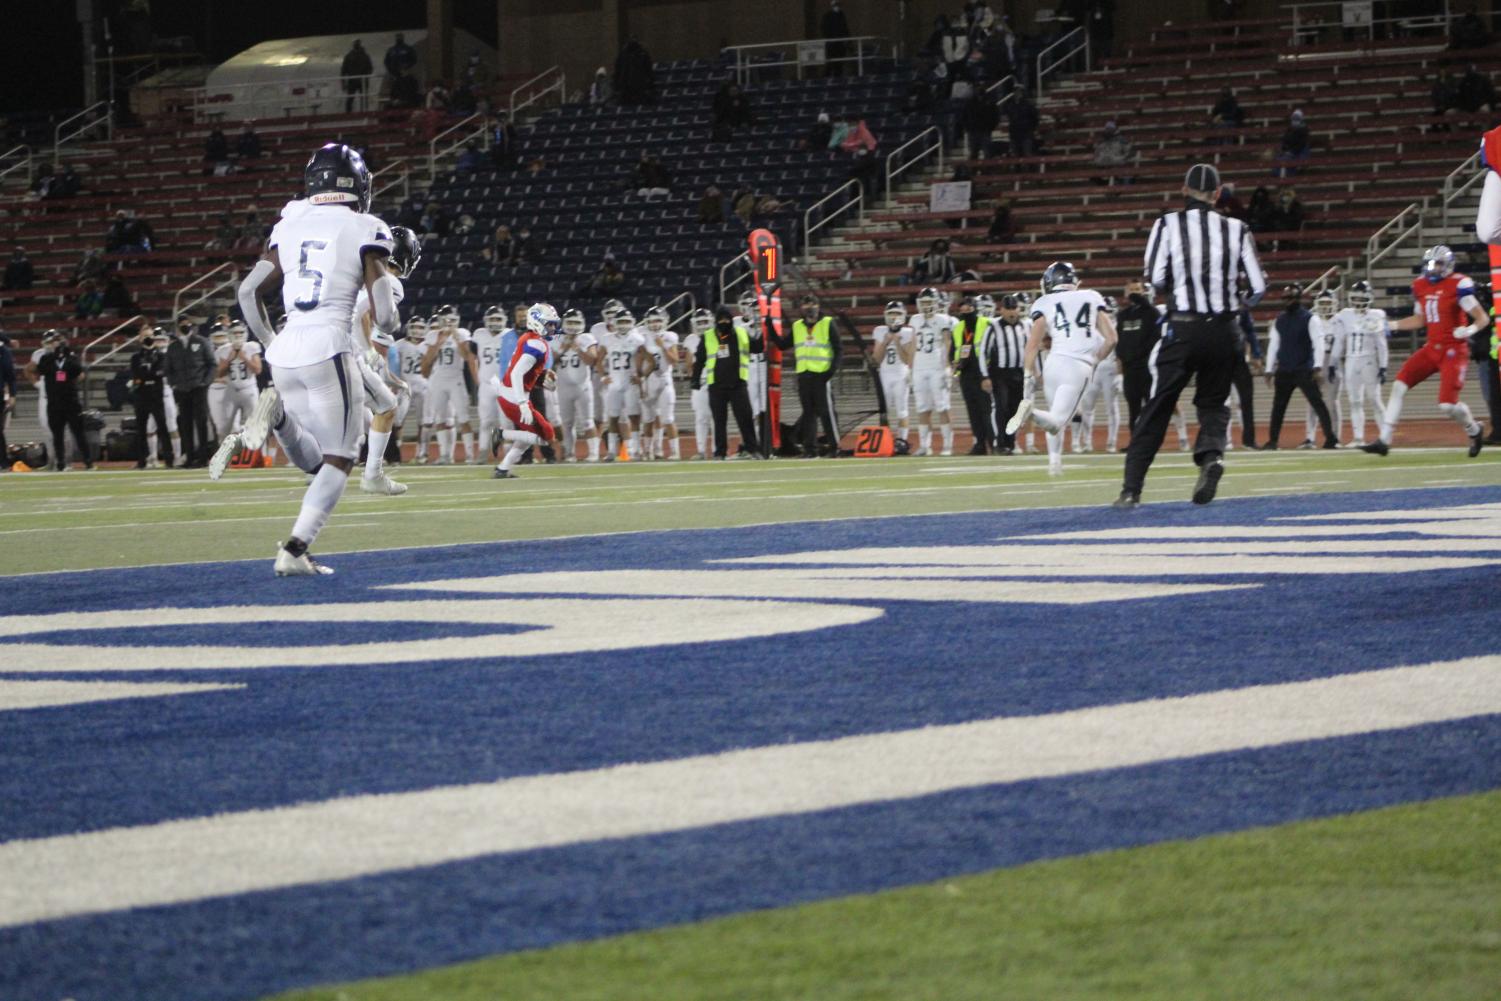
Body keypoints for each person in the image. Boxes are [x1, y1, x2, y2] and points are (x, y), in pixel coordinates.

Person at [233, 143, 400, 575]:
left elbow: (247, 292)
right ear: (358, 184)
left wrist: (270, 341)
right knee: (343, 456)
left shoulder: (290, 224)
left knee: (318, 462)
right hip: (329, 345)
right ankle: (294, 550)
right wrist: (390, 322)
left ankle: (279, 420)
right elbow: (383, 309)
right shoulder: (366, 226)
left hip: (287, 350)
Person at [1116, 163, 1266, 509]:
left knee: (1158, 407)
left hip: (1183, 325)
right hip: (1224, 330)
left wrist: (1178, 289)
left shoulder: (1167, 224)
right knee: (1214, 403)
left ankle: (1131, 489)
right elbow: (1258, 287)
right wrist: (1235, 303)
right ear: (1217, 195)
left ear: (1184, 190)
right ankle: (1211, 457)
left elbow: (1154, 277)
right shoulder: (1237, 228)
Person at [1363, 245, 1490, 457]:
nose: (1433, 268)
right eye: (1430, 264)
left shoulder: (1458, 284)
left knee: (1447, 406)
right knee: (1399, 386)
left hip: (1453, 350)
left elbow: (1483, 318)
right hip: (1432, 348)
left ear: (1448, 265)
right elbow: (1420, 320)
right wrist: (1390, 325)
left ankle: (1474, 429)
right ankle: (1384, 440)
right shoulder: (1420, 285)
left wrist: (1468, 330)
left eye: (1438, 264)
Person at [1008, 263, 1118, 476]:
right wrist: (1095, 360)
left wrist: (1029, 374)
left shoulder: (1044, 301)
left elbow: (1032, 344)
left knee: (1054, 416)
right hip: (1078, 366)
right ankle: (1030, 412)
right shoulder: (1091, 296)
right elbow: (1112, 338)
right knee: (1057, 421)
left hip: (1053, 362)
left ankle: (1054, 465)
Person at [1261, 285, 1338, 450]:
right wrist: (1268, 369)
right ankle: (1273, 440)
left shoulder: (1310, 318)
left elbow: (1318, 343)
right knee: (1278, 407)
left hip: (1304, 368)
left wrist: (1317, 367)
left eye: (1290, 299)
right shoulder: (1279, 320)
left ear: (1298, 299)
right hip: (1284, 369)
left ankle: (1330, 438)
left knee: (1317, 403)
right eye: (1285, 299)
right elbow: (1274, 345)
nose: (1287, 302)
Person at [491, 304, 561, 479]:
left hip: (509, 393)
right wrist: (522, 404)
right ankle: (501, 434)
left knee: (527, 435)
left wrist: (543, 379)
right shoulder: (537, 344)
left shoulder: (529, 337)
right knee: (547, 436)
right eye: (549, 324)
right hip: (514, 397)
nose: (553, 328)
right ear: (538, 323)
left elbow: (525, 373)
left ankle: (503, 468)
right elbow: (516, 373)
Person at [695, 305, 761, 459]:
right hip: (716, 386)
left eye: (727, 319)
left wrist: (765, 330)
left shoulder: (741, 334)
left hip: (738, 384)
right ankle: (720, 452)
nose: (724, 322)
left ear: (731, 320)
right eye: (721, 320)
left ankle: (752, 449)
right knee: (719, 422)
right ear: (716, 321)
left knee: (745, 419)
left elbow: (757, 347)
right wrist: (695, 380)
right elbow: (699, 361)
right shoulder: (707, 336)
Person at [1332, 280, 1389, 447]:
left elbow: (1381, 344)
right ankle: (1358, 437)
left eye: (1361, 298)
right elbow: (1340, 340)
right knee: (1354, 401)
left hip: (1369, 360)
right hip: (1351, 360)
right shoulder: (1345, 315)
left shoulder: (1377, 315)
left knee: (1375, 399)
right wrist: (1333, 361)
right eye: (1355, 298)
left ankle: (1385, 436)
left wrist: (1384, 366)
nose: (1357, 301)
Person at [421, 304, 479, 464]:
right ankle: (445, 455)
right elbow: (427, 361)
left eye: (451, 319)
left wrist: (455, 336)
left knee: (463, 418)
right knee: (440, 419)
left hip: (456, 378)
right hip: (438, 379)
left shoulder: (462, 333)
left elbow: (467, 356)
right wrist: (439, 342)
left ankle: (469, 456)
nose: (447, 322)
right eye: (445, 319)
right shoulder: (433, 335)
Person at [789, 295, 840, 457]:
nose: (809, 308)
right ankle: (810, 449)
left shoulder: (827, 323)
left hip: (821, 374)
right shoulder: (797, 326)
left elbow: (838, 348)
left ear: (818, 306)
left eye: (812, 304)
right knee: (808, 413)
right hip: (804, 374)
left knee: (826, 412)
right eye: (805, 305)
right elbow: (784, 344)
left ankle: (834, 447)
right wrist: (769, 325)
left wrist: (831, 371)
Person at [978, 292, 1029, 454]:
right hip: (999, 374)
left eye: (1014, 308)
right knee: (1001, 407)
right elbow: (982, 352)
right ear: (1002, 310)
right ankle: (999, 442)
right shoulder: (993, 327)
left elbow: (1031, 350)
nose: (1012, 312)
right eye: (1009, 309)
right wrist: (985, 376)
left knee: (1015, 409)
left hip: (1019, 373)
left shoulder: (1025, 326)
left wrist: (1034, 373)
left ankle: (1011, 442)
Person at [34, 332, 92, 470]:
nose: (55, 344)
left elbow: (77, 370)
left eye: (57, 341)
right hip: (54, 402)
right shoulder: (46, 358)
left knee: (78, 432)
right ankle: (60, 462)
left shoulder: (71, 357)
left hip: (71, 401)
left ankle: (88, 461)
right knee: (57, 434)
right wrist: (54, 357)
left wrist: (65, 356)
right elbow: (41, 369)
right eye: (54, 342)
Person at [909, 287, 956, 456]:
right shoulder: (915, 320)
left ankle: (947, 445)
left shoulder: (943, 319)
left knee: (942, 407)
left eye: (929, 302)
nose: (926, 305)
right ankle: (924, 445)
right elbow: (913, 344)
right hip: (919, 368)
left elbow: (948, 344)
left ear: (936, 303)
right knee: (922, 408)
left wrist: (948, 367)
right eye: (924, 302)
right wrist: (910, 367)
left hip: (937, 367)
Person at [164, 315, 215, 466]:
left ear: (192, 326)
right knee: (185, 424)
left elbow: (212, 363)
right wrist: (174, 384)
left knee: (201, 422)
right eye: (182, 324)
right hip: (182, 389)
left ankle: (203, 457)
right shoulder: (173, 347)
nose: (185, 326)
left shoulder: (201, 342)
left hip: (198, 387)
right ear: (178, 327)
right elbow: (168, 369)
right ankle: (190, 457)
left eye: (187, 324)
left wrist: (205, 382)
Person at [553, 309, 602, 461]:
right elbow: (551, 362)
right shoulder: (556, 338)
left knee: (587, 420)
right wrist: (565, 347)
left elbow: (592, 360)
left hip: (583, 387)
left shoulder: (587, 338)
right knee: (567, 423)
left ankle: (593, 453)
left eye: (576, 322)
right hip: (563, 387)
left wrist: (577, 348)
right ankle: (569, 453)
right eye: (570, 322)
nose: (573, 326)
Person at [635, 307, 681, 460]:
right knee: (648, 419)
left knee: (668, 418)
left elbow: (674, 361)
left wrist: (662, 346)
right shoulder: (641, 335)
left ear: (665, 321)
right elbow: (639, 360)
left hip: (664, 379)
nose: (654, 324)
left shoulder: (669, 337)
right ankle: (648, 451)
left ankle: (674, 452)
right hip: (648, 381)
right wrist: (640, 379)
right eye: (652, 321)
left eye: (658, 320)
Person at [950, 294, 993, 453]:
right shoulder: (958, 328)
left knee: (987, 410)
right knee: (973, 411)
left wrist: (988, 374)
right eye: (963, 309)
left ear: (975, 309)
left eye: (969, 309)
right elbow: (954, 350)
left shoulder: (986, 323)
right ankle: (979, 443)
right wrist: (954, 366)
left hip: (983, 372)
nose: (965, 311)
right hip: (966, 373)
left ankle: (993, 441)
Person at [600, 310, 645, 460]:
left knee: (634, 417)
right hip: (614, 382)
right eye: (621, 321)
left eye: (626, 321)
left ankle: (636, 450)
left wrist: (641, 376)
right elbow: (599, 360)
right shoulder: (607, 339)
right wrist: (603, 376)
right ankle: (612, 451)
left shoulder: (638, 339)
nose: (624, 325)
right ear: (615, 323)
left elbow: (646, 359)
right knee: (612, 417)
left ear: (631, 321)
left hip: (630, 382)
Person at [128, 325, 174, 468]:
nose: (148, 339)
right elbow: (137, 375)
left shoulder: (161, 356)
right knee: (141, 429)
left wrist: (147, 375)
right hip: (141, 395)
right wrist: (149, 375)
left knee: (163, 427)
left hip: (156, 394)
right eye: (145, 336)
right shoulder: (136, 357)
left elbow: (160, 372)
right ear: (140, 339)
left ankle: (169, 459)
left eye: (150, 336)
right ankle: (142, 460)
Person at [872, 301, 915, 445]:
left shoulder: (908, 332)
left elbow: (907, 359)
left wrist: (897, 343)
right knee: (884, 410)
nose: (894, 316)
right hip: (884, 374)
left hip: (901, 374)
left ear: (903, 316)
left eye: (897, 313)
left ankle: (901, 440)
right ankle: (885, 441)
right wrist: (885, 342)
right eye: (891, 313)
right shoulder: (880, 330)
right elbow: (876, 359)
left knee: (901, 410)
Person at [395, 316, 433, 462]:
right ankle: (396, 451)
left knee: (423, 422)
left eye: (420, 328)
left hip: (424, 386)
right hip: (404, 386)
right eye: (414, 327)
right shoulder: (399, 345)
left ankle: (422, 453)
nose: (417, 331)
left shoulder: (428, 345)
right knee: (398, 421)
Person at [681, 309, 715, 458]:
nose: (702, 325)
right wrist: (694, 376)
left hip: (716, 380)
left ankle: (717, 449)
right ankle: (701, 450)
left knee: (716, 417)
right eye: (699, 322)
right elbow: (688, 364)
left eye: (704, 321)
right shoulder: (691, 339)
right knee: (701, 417)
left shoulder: (719, 335)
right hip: (700, 381)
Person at [613, 38, 656, 107]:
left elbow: (649, 71)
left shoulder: (643, 54)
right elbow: (618, 71)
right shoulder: (623, 55)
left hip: (639, 86)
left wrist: (650, 85)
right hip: (626, 87)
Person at [1091, 120, 1135, 186]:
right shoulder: (1101, 140)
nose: (1108, 130)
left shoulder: (1121, 139)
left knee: (1127, 173)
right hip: (1104, 162)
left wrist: (1123, 158)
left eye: (1110, 128)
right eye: (1107, 128)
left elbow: (1129, 151)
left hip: (1117, 162)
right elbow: (1096, 152)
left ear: (1114, 129)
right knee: (1094, 174)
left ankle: (1123, 185)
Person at [1275, 109, 1311, 176]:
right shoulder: (1289, 130)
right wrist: (1284, 149)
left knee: (1288, 160)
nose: (1295, 120)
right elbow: (1284, 141)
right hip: (1289, 151)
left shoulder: (1304, 131)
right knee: (1279, 158)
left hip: (1297, 152)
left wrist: (1291, 152)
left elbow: (1301, 145)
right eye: (1294, 118)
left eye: (1297, 119)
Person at [341, 40, 373, 113]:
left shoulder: (362, 56)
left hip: (360, 80)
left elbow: (370, 68)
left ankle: (362, 112)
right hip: (355, 80)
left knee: (362, 98)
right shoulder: (352, 56)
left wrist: (365, 76)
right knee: (352, 98)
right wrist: (343, 82)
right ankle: (351, 113)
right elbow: (344, 70)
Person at [821, 0, 851, 76]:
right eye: (836, 5)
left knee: (839, 64)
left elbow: (845, 28)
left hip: (840, 44)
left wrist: (848, 40)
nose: (837, 7)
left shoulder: (841, 15)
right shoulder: (827, 16)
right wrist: (829, 39)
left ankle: (838, 77)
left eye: (838, 5)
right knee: (830, 63)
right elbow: (824, 29)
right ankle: (827, 77)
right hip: (831, 44)